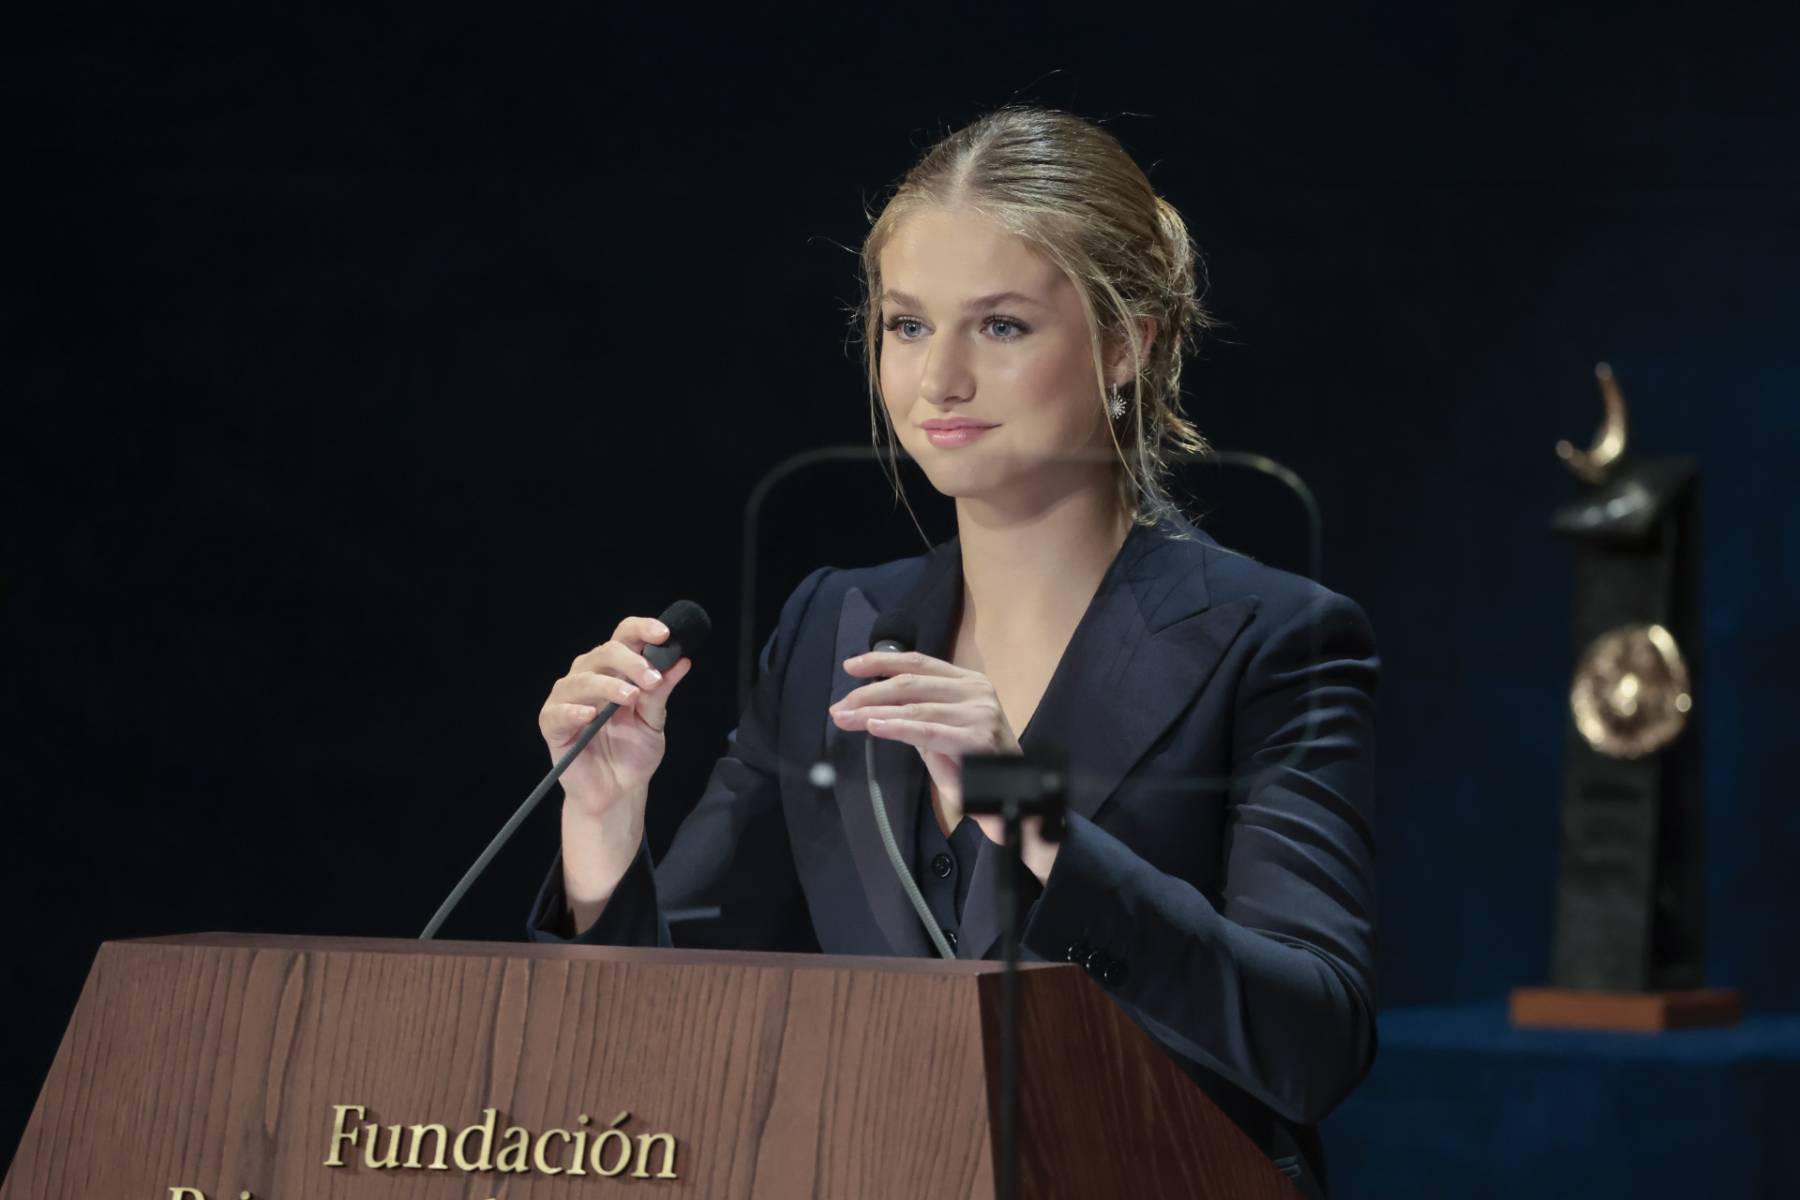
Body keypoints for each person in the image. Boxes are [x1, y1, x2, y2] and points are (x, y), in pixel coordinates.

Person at [524, 105, 1377, 1199]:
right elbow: (673, 1032)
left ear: (1127, 343)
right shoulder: (831, 629)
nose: (940, 383)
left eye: (1003, 326)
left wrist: (1027, 806)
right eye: (908, 326)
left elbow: (1313, 1043)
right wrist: (601, 823)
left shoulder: (1280, 638)